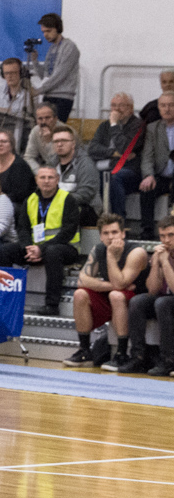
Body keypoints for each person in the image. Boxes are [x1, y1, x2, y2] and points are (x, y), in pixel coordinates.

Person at [0, 165, 82, 317]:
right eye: (42, 177)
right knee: (4, 250)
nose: (46, 181)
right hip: (36, 248)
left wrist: (41, 249)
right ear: (36, 180)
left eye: (50, 177)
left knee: (52, 252)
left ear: (57, 180)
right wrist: (28, 247)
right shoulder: (30, 199)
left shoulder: (68, 199)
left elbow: (68, 232)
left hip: (65, 247)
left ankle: (52, 305)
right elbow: (23, 228)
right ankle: (4, 301)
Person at [67, 213, 149, 370]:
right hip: (115, 295)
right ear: (100, 236)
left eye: (114, 232)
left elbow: (120, 284)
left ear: (123, 234)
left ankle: (121, 353)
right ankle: (84, 350)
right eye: (106, 233)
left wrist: (111, 256)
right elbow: (81, 280)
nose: (110, 237)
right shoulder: (98, 249)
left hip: (137, 302)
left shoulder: (136, 252)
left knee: (116, 295)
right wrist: (112, 286)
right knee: (80, 294)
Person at [130, 216, 174, 376]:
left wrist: (166, 263)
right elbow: (152, 290)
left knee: (162, 303)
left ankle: (168, 360)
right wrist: (156, 263)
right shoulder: (162, 254)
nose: (166, 240)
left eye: (171, 235)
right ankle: (138, 356)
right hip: (164, 300)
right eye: (162, 236)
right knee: (138, 301)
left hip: (167, 302)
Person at [92, 92, 147, 220]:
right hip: (107, 166)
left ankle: (118, 220)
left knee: (113, 178)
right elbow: (93, 148)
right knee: (93, 176)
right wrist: (113, 153)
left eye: (121, 105)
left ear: (130, 109)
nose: (116, 109)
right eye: (113, 105)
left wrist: (114, 125)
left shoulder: (138, 126)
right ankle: (98, 218)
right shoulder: (104, 125)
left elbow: (124, 148)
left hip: (130, 169)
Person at [25, 13, 80, 122]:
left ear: (58, 28)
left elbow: (60, 75)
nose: (45, 35)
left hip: (62, 97)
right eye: (43, 32)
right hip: (48, 95)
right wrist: (35, 61)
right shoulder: (51, 49)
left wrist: (39, 91)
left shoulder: (69, 47)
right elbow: (45, 76)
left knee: (55, 128)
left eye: (48, 31)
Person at [137, 92, 174, 240]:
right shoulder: (153, 128)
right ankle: (147, 230)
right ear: (159, 108)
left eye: (171, 105)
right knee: (146, 188)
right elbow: (147, 156)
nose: (167, 109)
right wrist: (148, 175)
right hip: (161, 175)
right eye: (163, 105)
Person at [51, 125, 100, 226]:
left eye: (64, 140)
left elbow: (85, 194)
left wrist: (58, 200)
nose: (59, 144)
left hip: (86, 210)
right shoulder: (51, 163)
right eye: (56, 141)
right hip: (58, 206)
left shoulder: (86, 164)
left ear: (73, 144)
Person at [0, 128, 35, 207]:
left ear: (11, 145)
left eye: (4, 141)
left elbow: (21, 194)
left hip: (15, 205)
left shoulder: (20, 165)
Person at [23, 103, 60, 169]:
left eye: (47, 118)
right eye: (40, 119)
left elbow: (55, 161)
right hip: (46, 170)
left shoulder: (64, 132)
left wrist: (48, 142)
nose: (43, 122)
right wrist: (39, 171)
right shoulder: (35, 131)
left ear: (55, 119)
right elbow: (28, 157)